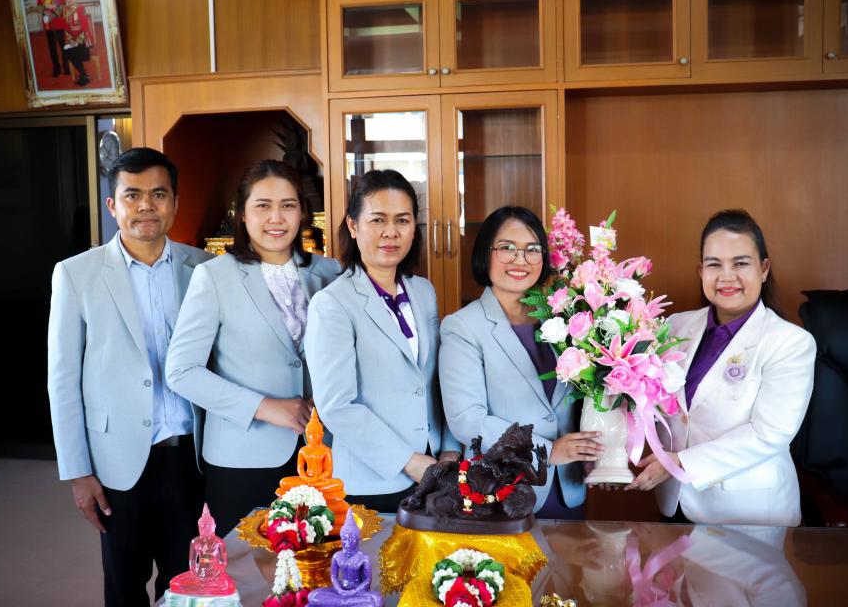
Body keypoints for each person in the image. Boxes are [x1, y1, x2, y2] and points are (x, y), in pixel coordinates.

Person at [47, 147, 212, 606]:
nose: (145, 206)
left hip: (191, 455)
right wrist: (78, 472)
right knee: (124, 585)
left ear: (175, 202)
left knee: (189, 584)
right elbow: (62, 380)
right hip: (116, 460)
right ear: (112, 205)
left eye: (158, 194)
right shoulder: (76, 274)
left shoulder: (205, 268)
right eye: (132, 195)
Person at [166, 160, 341, 536]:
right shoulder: (213, 276)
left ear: (302, 212)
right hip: (242, 455)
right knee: (249, 564)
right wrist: (265, 407)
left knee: (318, 560)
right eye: (263, 205)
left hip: (321, 452)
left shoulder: (330, 273)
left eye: (288, 205)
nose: (276, 217)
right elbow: (181, 371)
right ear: (242, 214)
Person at [627, 209, 817, 527]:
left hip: (747, 513)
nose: (726, 277)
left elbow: (768, 434)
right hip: (674, 502)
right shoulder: (675, 327)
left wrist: (680, 463)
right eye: (714, 264)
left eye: (740, 264)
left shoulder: (790, 342)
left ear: (764, 269)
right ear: (701, 271)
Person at [305, 169, 460, 513]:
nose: (391, 232)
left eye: (402, 220)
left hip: (434, 467)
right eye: (378, 220)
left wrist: (449, 448)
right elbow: (337, 406)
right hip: (372, 479)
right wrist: (409, 461)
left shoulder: (423, 291)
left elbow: (436, 379)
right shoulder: (332, 303)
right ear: (353, 226)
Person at [440, 206, 602, 519]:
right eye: (507, 248)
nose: (520, 260)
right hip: (503, 492)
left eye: (532, 249)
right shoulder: (463, 327)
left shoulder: (564, 318)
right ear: (485, 254)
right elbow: (467, 419)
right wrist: (548, 450)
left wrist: (596, 452)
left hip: (569, 488)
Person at [60, 0, 94, 86]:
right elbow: (66, 29)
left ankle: (83, 75)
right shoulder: (64, 11)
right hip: (72, 41)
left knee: (73, 52)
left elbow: (85, 28)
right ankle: (84, 74)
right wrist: (71, 40)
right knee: (66, 51)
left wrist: (77, 41)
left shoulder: (80, 8)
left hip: (83, 40)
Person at [36, 0, 69, 77]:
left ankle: (66, 66)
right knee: (52, 46)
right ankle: (56, 68)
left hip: (58, 19)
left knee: (62, 44)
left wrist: (53, 14)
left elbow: (62, 3)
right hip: (47, 22)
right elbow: (39, 5)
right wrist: (45, 11)